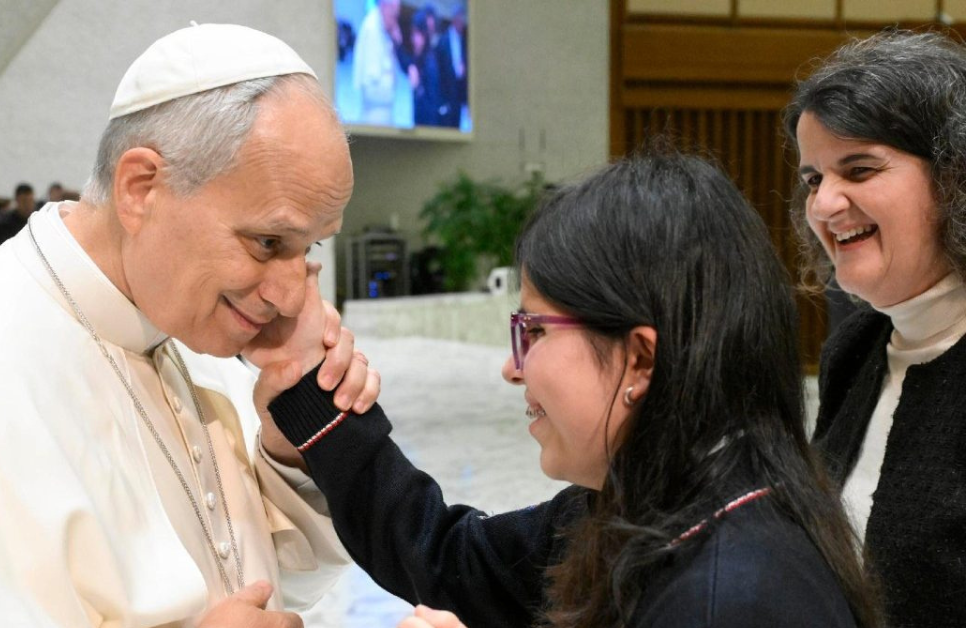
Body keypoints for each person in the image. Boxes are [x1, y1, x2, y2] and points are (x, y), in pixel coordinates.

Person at [0, 23, 379, 628]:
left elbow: (268, 582)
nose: (292, 294)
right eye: (269, 241)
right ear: (141, 188)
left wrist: (285, 445)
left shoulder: (181, 323)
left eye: (309, 249)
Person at [254, 153, 881, 627]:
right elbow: (449, 558)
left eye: (533, 331)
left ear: (639, 357)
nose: (512, 367)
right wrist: (310, 392)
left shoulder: (732, 593)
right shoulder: (654, 499)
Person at [783, 30, 966, 626]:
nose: (823, 205)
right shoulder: (856, 348)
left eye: (858, 170)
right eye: (814, 178)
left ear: (954, 178)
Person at [353, 0, 402, 126]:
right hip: (374, 119)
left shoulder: (383, 29)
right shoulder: (372, 29)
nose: (395, 22)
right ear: (384, 7)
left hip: (384, 116)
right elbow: (370, 88)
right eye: (394, 15)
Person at [0, 181, 37, 251]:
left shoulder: (37, 221)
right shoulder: (3, 225)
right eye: (24, 201)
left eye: (30, 201)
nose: (28, 205)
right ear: (17, 200)